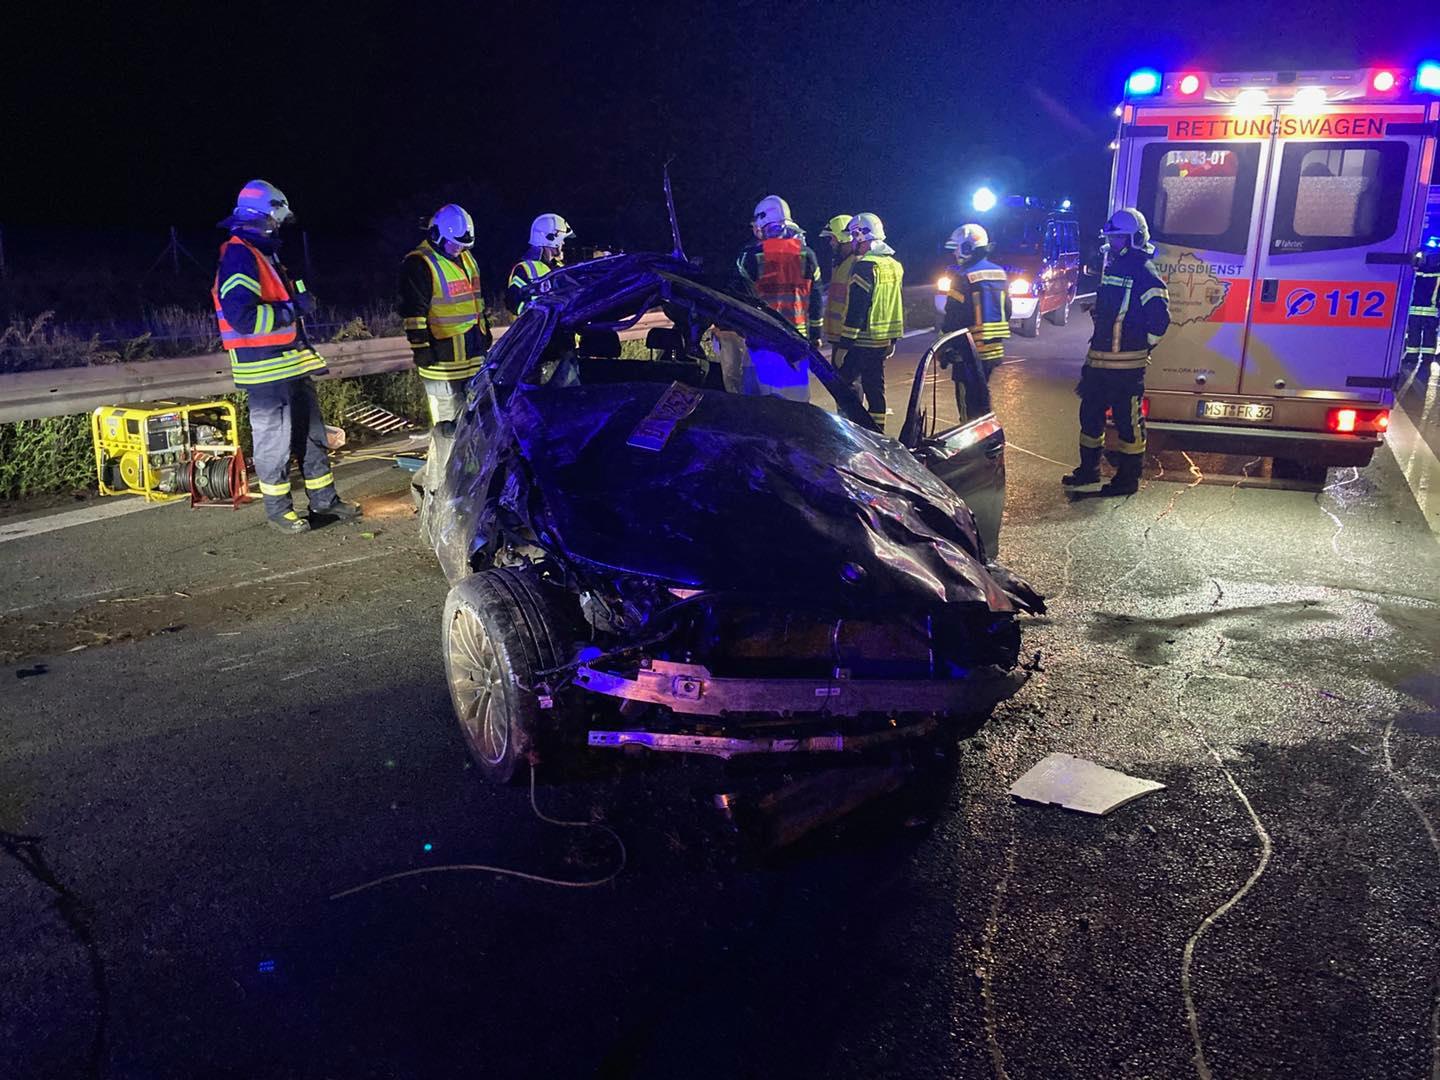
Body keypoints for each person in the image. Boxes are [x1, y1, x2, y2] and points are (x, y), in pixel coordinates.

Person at [211, 179, 360, 533]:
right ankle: (279, 511)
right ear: (264, 217)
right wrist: (294, 309)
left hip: (289, 365)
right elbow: (242, 317)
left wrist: (295, 306)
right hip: (264, 371)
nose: (278, 227)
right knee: (273, 445)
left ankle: (324, 502)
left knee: (312, 437)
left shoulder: (265, 254)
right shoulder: (240, 256)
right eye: (276, 220)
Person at [1062, 208, 1169, 496]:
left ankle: (1127, 480)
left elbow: (1160, 318)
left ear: (1134, 238)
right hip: (1098, 363)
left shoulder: (1144, 272)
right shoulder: (1116, 267)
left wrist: (1141, 345)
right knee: (1090, 417)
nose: (1113, 243)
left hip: (1126, 368)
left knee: (1128, 423)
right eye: (1112, 237)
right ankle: (1088, 470)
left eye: (1118, 237)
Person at [399, 204, 491, 498]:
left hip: (472, 357)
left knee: (475, 424)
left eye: (463, 244)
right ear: (437, 235)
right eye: (454, 243)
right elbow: (414, 313)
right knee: (447, 431)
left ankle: (471, 479)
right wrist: (421, 349)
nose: (458, 249)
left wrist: (485, 331)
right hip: (442, 364)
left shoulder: (466, 257)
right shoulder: (419, 263)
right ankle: (441, 487)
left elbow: (475, 302)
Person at [733, 195, 823, 401]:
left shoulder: (749, 257)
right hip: (796, 342)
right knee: (797, 403)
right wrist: (815, 335)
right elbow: (816, 299)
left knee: (760, 404)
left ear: (762, 223)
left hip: (761, 340)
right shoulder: (807, 255)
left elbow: (740, 299)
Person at [835, 212, 905, 428]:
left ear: (860, 235)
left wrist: (844, 344)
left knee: (843, 386)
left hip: (863, 340)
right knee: (875, 390)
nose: (852, 242)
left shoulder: (865, 266)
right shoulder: (893, 264)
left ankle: (852, 431)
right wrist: (893, 339)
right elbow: (894, 303)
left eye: (853, 237)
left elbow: (858, 307)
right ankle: (877, 431)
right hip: (883, 340)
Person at [940, 223, 1011, 421]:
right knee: (982, 399)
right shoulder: (999, 273)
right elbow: (1008, 310)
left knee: (968, 407)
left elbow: (953, 317)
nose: (954, 253)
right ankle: (987, 436)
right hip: (993, 350)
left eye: (957, 248)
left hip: (967, 352)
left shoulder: (963, 277)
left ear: (967, 247)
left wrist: (944, 348)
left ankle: (972, 439)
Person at [505, 213, 573, 315]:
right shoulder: (524, 269)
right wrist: (536, 315)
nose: (563, 243)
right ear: (550, 238)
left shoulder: (560, 268)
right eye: (561, 239)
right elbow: (513, 303)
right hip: (541, 325)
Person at [819, 214, 855, 358]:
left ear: (843, 238)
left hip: (848, 340)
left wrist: (848, 338)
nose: (831, 243)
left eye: (832, 238)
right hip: (838, 336)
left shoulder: (856, 264)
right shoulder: (840, 263)